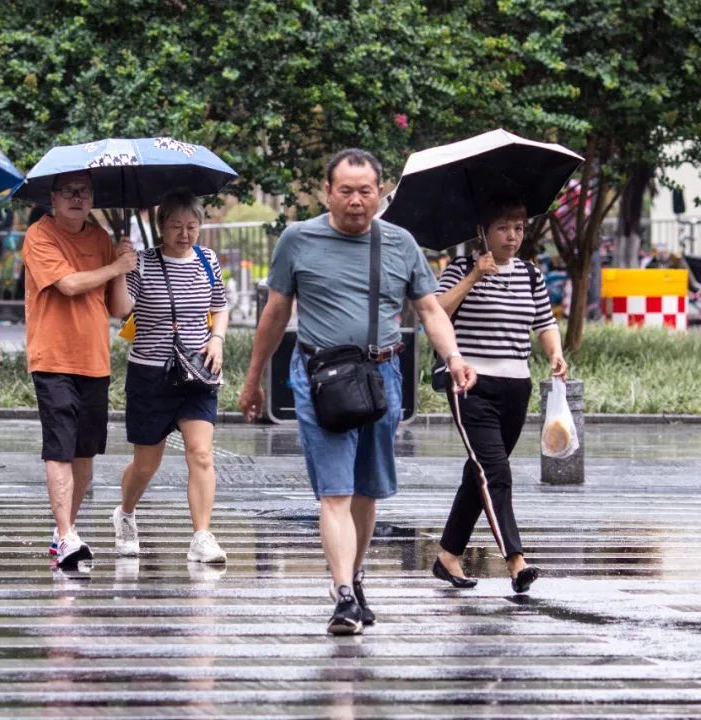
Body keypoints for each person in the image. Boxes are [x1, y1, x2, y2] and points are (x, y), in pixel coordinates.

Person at [238, 148, 476, 636]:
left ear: (381, 192)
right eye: (344, 191)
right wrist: (253, 377)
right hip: (320, 378)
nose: (354, 201)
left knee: (367, 491)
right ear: (327, 192)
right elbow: (276, 312)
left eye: (365, 191)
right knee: (335, 493)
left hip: (381, 377)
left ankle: (356, 573)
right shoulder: (298, 239)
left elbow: (430, 310)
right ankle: (343, 592)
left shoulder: (399, 243)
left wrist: (453, 357)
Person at [432, 195, 567, 594]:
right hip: (471, 385)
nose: (512, 236)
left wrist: (555, 354)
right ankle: (515, 560)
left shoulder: (529, 274)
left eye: (519, 228)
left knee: (481, 474)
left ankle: (447, 556)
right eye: (503, 228)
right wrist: (474, 275)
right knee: (495, 473)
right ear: (483, 232)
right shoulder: (460, 268)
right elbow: (435, 312)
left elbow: (545, 322)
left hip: (516, 387)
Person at [22, 170, 135, 567]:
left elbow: (119, 308)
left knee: (85, 452)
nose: (76, 197)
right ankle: (67, 534)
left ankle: (63, 533)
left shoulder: (101, 238)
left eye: (83, 191)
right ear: (52, 198)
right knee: (60, 447)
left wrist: (122, 264)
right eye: (68, 191)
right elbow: (68, 284)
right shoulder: (40, 235)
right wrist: (113, 267)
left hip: (94, 360)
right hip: (53, 358)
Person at [112, 190, 230, 563]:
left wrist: (218, 339)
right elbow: (120, 309)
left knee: (201, 453)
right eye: (177, 226)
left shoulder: (207, 259)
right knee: (147, 464)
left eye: (192, 226)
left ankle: (202, 536)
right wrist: (119, 266)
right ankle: (125, 513)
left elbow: (220, 307)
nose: (185, 234)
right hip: (151, 374)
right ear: (161, 227)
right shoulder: (143, 263)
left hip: (198, 370)